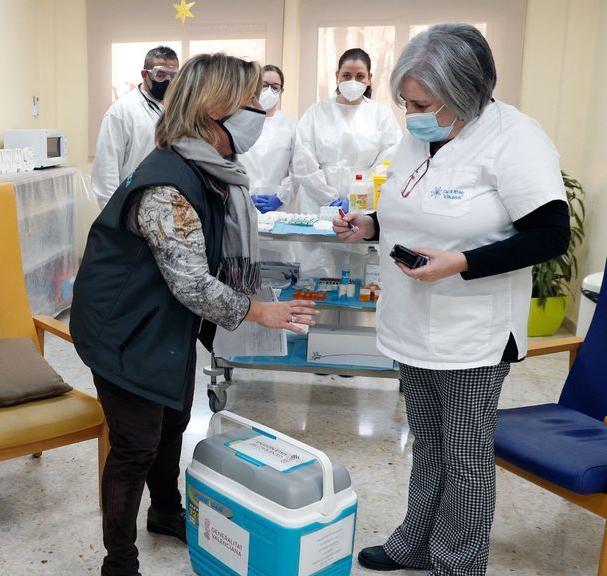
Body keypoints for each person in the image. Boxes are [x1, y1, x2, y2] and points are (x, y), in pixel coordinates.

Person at [333, 24, 570, 575]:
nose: (410, 112)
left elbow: (550, 236)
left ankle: (458, 564)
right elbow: (406, 208)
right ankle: (415, 541)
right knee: (428, 439)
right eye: (405, 101)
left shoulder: (516, 139)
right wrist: (368, 226)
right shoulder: (422, 133)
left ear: (464, 93)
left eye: (421, 102)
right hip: (411, 321)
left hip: (472, 331)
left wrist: (461, 263)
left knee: (464, 455)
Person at [71, 53, 319, 576]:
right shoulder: (169, 182)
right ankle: (119, 562)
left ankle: (164, 511)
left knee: (174, 421)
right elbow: (192, 283)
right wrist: (257, 311)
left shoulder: (209, 169)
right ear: (214, 111)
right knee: (136, 445)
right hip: (123, 327)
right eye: (252, 102)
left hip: (162, 322)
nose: (262, 111)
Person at [292, 48, 402, 277]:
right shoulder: (317, 112)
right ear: (337, 76)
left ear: (369, 78)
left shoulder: (380, 114)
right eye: (346, 75)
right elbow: (303, 160)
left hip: (364, 206)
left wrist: (359, 197)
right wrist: (330, 198)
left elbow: (390, 158)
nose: (353, 81)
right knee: (316, 276)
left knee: (359, 274)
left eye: (360, 76)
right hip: (318, 204)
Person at [91, 45, 180, 208]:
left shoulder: (178, 110)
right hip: (132, 208)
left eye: (173, 76)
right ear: (145, 74)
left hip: (169, 206)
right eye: (160, 75)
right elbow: (106, 171)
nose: (168, 81)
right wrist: (112, 218)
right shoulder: (121, 112)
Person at [244, 64, 298, 262]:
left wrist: (280, 197)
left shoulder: (292, 125)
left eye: (275, 87)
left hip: (279, 209)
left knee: (279, 266)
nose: (269, 91)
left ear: (281, 91)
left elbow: (297, 169)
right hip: (244, 205)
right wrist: (243, 196)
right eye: (264, 85)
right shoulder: (239, 121)